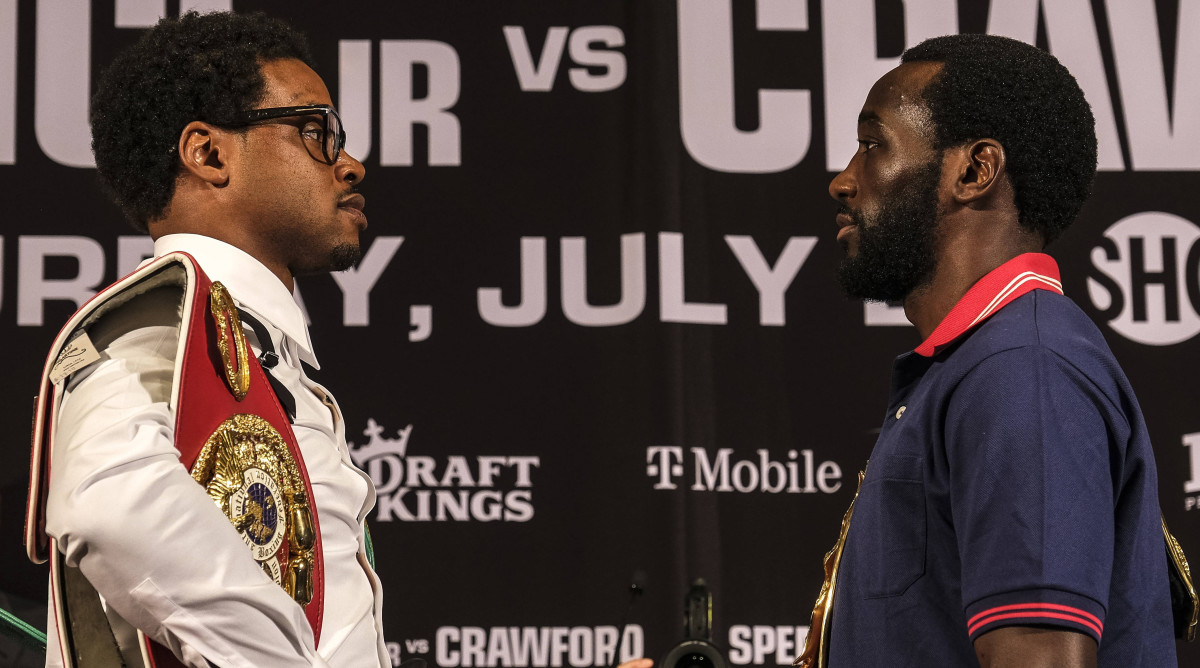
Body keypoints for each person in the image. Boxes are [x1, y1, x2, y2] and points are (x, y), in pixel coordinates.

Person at [805, 34, 1178, 667]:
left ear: (975, 171)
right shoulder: (979, 366)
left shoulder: (1023, 372)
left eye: (873, 146)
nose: (843, 180)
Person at [33, 10, 382, 667]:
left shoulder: (250, 350)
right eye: (316, 133)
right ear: (210, 154)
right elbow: (110, 506)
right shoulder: (162, 321)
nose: (351, 164)